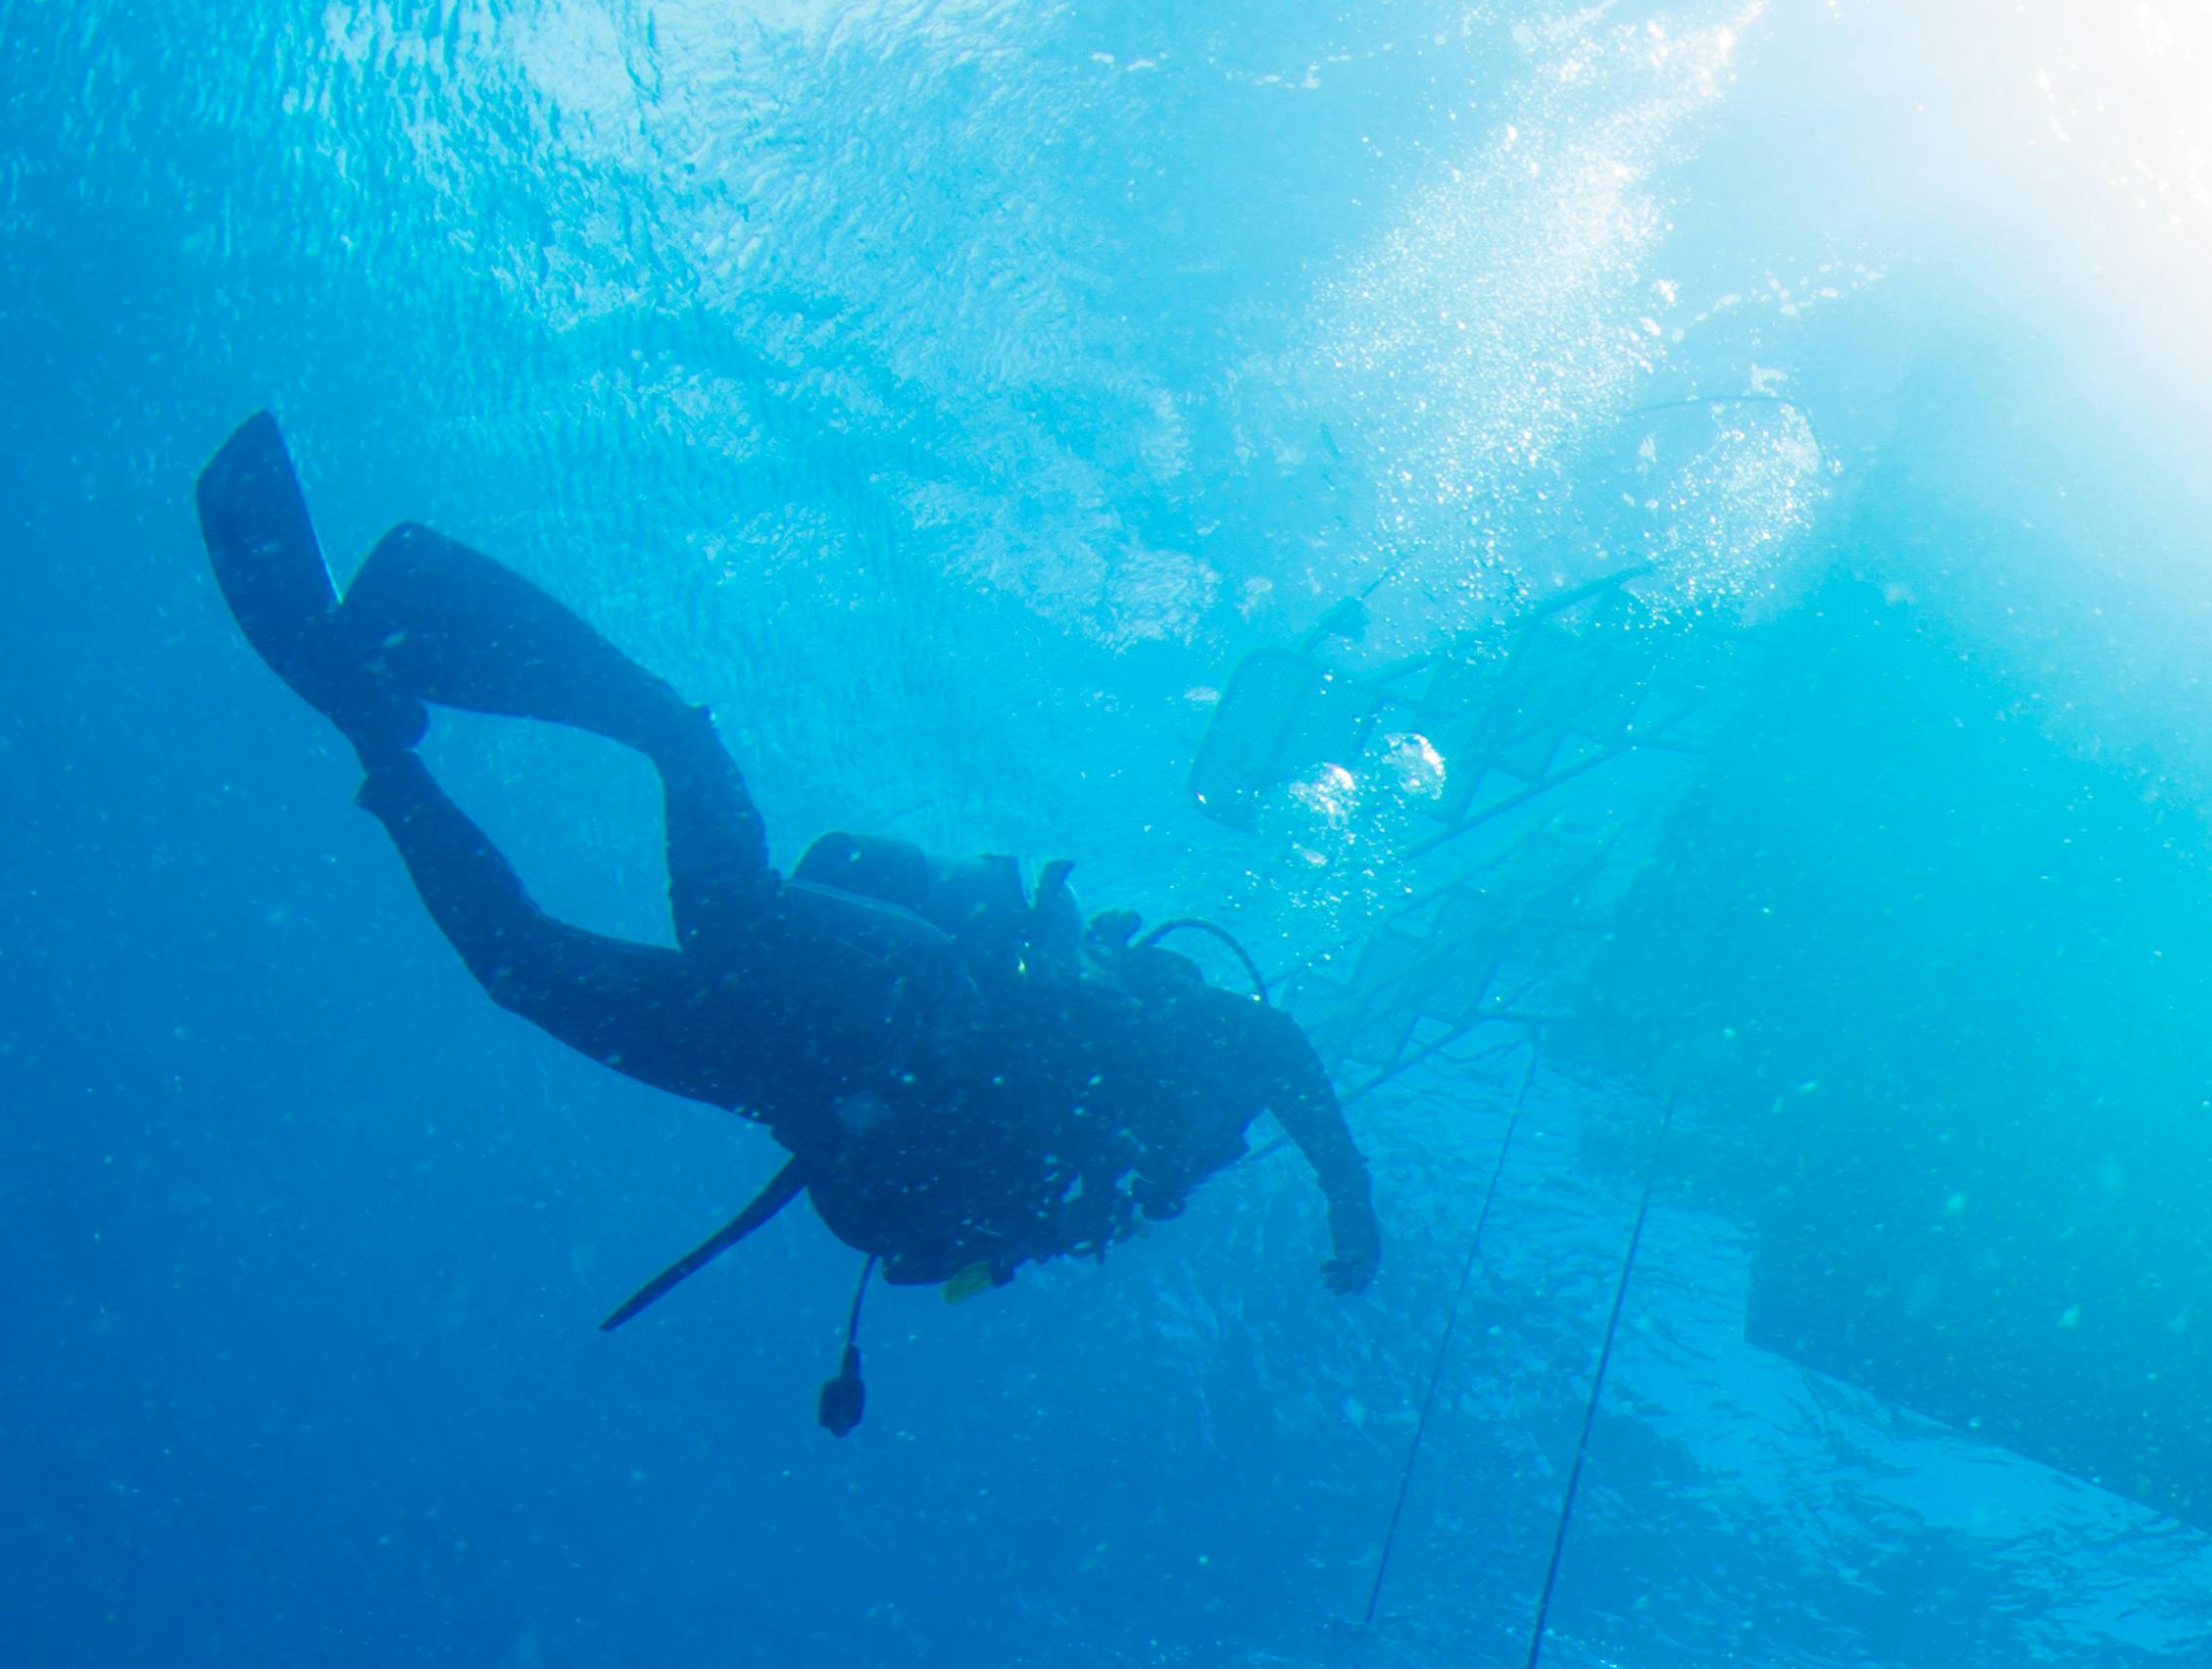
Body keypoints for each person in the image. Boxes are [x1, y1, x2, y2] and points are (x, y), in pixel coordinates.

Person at [192, 416, 1378, 1355]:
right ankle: (430, 622)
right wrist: (1347, 1195)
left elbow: (914, 1248)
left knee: (528, 972)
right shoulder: (1171, 1040)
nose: (1206, 1155)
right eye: (1222, 1139)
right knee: (724, 893)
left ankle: (375, 730)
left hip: (799, 1084)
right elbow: (1274, 1042)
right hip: (909, 1004)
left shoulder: (1096, 1179)